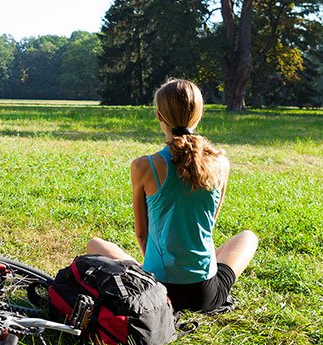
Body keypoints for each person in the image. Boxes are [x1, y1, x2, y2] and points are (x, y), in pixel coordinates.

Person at [87, 78, 258, 313]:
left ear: (159, 115)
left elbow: (141, 234)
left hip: (158, 292)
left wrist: (153, 269)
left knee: (95, 244)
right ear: (198, 115)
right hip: (205, 294)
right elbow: (208, 227)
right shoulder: (221, 163)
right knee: (248, 237)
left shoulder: (143, 166)